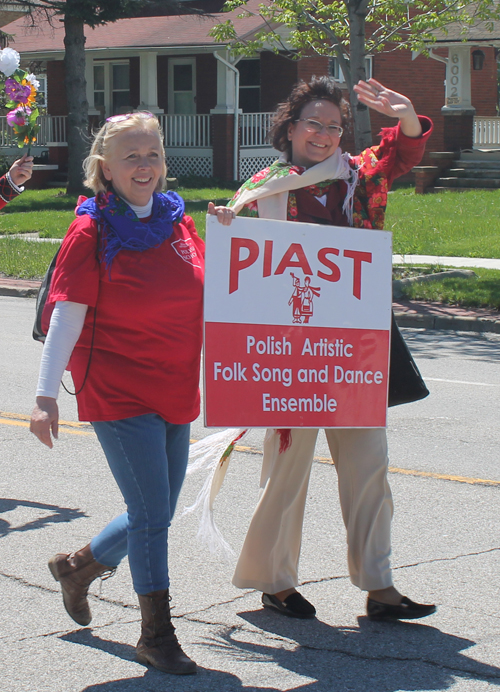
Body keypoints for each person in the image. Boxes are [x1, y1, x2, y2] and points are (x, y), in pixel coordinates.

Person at [208, 76, 436, 622]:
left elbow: (402, 151)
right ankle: (274, 581)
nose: (325, 134)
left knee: (369, 466)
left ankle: (379, 587)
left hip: (352, 351)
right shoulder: (264, 187)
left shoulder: (356, 177)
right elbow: (237, 268)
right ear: (289, 126)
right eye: (314, 122)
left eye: (335, 126)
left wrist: (406, 113)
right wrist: (226, 230)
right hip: (288, 357)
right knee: (287, 469)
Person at [30, 112, 203, 675]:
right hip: (119, 387)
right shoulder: (92, 230)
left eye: (152, 154)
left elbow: (214, 291)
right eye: (130, 156)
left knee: (159, 511)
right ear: (105, 168)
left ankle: (78, 567)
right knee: (151, 512)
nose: (144, 166)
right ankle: (156, 634)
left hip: (175, 382)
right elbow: (66, 318)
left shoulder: (180, 222)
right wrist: (44, 396)